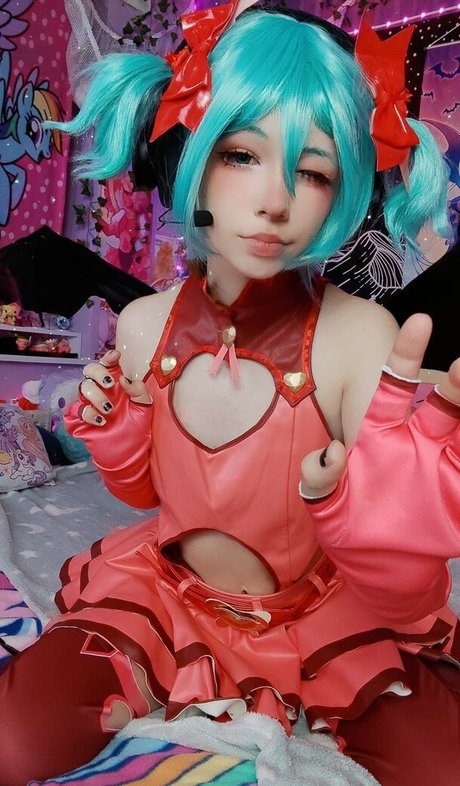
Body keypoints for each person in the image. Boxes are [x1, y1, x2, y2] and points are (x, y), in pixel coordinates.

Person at [1, 3, 459, 784]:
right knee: (14, 742)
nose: (276, 200)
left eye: (313, 171)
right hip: (166, 595)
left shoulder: (361, 336)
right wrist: (117, 435)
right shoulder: (143, 323)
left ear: (343, 188)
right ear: (190, 151)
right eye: (242, 154)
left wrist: (403, 527)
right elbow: (143, 492)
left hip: (321, 612)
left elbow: (402, 586)